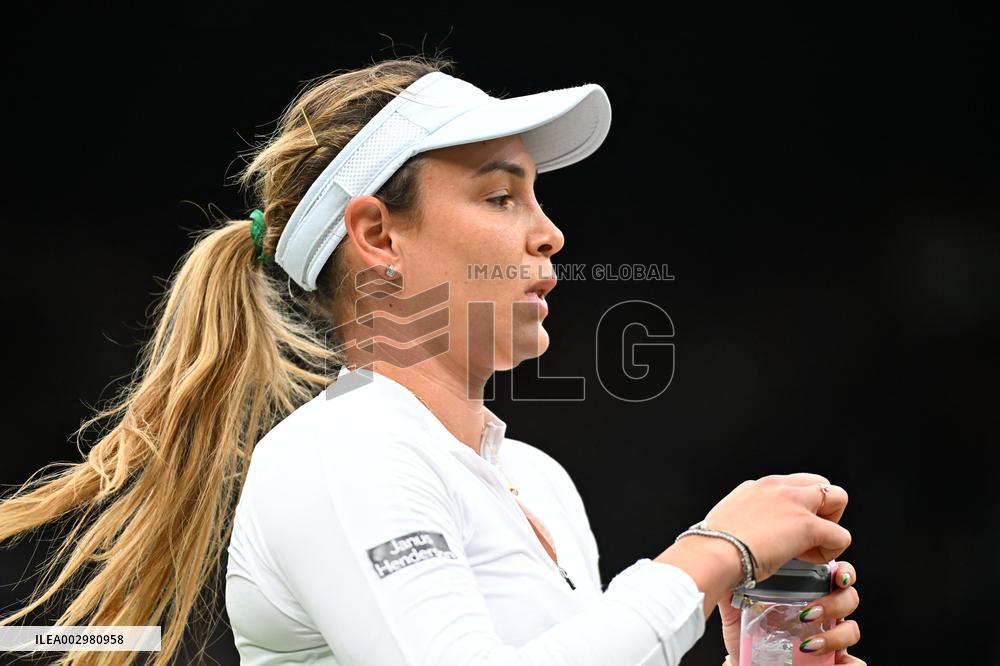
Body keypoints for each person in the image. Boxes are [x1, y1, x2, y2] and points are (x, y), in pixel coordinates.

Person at [0, 55, 864, 666]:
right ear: (378, 236)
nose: (549, 231)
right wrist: (710, 556)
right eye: (499, 195)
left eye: (536, 195)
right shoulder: (340, 451)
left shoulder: (539, 482)